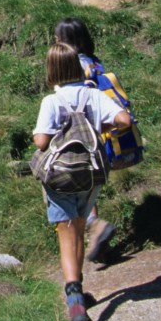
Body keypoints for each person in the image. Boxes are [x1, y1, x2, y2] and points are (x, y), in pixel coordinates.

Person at [33, 41, 131, 321]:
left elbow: (41, 142)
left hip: (61, 177)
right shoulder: (93, 94)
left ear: (51, 70)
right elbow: (124, 119)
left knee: (67, 235)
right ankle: (78, 286)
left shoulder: (52, 101)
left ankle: (74, 298)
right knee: (78, 227)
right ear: (77, 66)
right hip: (91, 175)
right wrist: (104, 132)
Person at [54, 17, 113, 262]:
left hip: (76, 134)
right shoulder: (94, 62)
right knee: (88, 184)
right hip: (98, 133)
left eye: (57, 38)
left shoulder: (73, 65)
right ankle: (95, 238)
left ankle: (93, 226)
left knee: (75, 186)